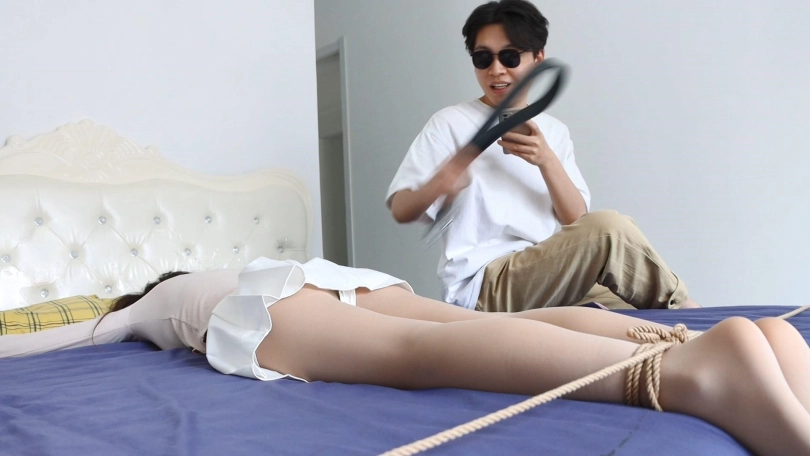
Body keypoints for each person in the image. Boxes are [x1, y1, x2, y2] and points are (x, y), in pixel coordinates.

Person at [0, 255, 808, 454]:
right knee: (471, 325)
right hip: (343, 277)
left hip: (268, 306)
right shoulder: (233, 267)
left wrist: (106, 313)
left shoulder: (154, 302)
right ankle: (689, 341)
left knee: (422, 353)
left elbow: (60, 334)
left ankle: (692, 374)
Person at [386, 0, 701, 312]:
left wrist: (547, 161)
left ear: (538, 58)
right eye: (483, 58)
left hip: (550, 271)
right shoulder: (449, 123)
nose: (496, 69)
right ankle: (692, 310)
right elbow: (401, 209)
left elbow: (577, 222)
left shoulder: (554, 132)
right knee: (611, 229)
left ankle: (697, 329)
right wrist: (441, 182)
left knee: (635, 301)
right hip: (484, 283)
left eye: (510, 56)